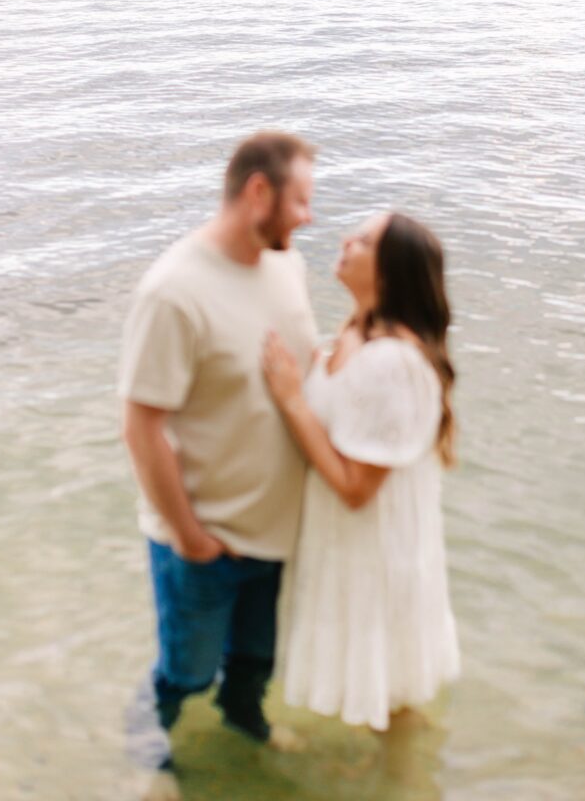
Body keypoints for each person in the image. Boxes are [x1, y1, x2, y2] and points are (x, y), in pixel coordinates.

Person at [118, 131, 318, 794]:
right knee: (186, 673)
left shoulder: (287, 264)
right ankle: (152, 754)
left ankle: (244, 725)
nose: (307, 217)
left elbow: (299, 373)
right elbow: (142, 426)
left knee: (252, 663)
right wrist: (190, 538)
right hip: (204, 540)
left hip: (273, 533)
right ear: (258, 191)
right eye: (301, 200)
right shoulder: (174, 291)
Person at [262, 212, 460, 735]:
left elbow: (355, 489)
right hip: (350, 545)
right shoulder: (355, 331)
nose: (347, 240)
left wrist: (290, 401)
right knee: (377, 682)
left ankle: (403, 783)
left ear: (391, 270)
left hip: (376, 548)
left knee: (389, 693)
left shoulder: (392, 361)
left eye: (365, 240)